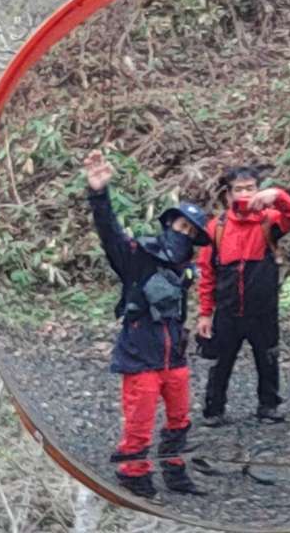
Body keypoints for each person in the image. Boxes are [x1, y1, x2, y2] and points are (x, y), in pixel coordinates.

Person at [84, 149, 209, 498]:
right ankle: (134, 476)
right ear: (168, 224)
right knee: (139, 422)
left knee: (180, 419)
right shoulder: (138, 257)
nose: (184, 234)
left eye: (191, 231)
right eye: (180, 226)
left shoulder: (184, 270)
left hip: (174, 355)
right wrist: (98, 193)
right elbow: (110, 234)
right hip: (140, 354)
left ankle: (174, 470)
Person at [196, 165, 290, 426]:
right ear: (228, 195)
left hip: (263, 310)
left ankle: (268, 406)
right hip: (227, 310)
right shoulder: (216, 227)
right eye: (238, 189)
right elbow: (207, 273)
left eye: (250, 188)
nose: (244, 194)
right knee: (220, 362)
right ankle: (214, 409)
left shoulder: (270, 220)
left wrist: (277, 195)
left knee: (268, 358)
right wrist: (205, 313)